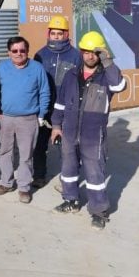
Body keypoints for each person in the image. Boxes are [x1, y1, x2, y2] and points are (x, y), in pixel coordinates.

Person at [51, 31, 127, 230]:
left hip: (93, 135)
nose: (90, 56)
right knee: (68, 170)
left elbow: (120, 85)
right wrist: (56, 127)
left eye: (95, 52)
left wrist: (108, 61)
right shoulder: (70, 74)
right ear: (81, 52)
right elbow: (60, 103)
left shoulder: (107, 77)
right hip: (68, 132)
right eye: (86, 52)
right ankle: (71, 200)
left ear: (101, 53)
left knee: (95, 174)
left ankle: (99, 211)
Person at [0, 36, 50, 204]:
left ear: (27, 51)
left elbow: (44, 92)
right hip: (5, 118)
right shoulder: (2, 68)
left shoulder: (37, 68)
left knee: (26, 155)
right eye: (15, 51)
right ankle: (6, 183)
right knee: (5, 152)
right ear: (8, 52)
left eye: (22, 50)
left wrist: (41, 114)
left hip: (28, 119)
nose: (19, 54)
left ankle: (24, 187)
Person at [32, 15, 82, 189]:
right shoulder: (40, 55)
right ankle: (39, 175)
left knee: (66, 145)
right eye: (53, 33)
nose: (56, 37)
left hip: (67, 108)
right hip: (45, 107)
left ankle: (66, 177)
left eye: (60, 34)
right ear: (49, 34)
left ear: (66, 34)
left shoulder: (76, 56)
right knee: (40, 143)